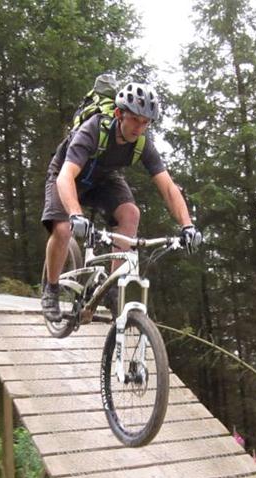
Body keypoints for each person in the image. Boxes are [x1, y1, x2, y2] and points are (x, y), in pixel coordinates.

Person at [40, 81, 202, 321]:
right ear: (119, 114)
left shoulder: (143, 144)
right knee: (63, 229)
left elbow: (168, 187)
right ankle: (51, 289)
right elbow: (66, 176)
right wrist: (75, 213)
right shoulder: (93, 130)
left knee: (131, 214)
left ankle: (112, 288)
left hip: (103, 179)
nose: (139, 127)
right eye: (135, 119)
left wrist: (187, 225)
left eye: (146, 122)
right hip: (67, 175)